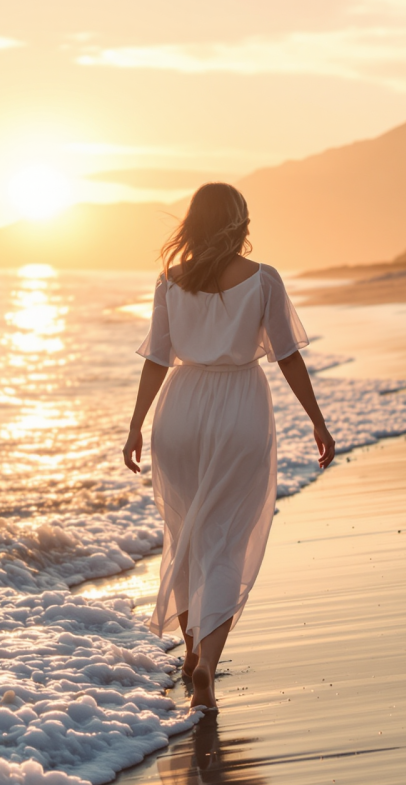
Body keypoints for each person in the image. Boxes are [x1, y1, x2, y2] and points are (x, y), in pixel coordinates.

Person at [123, 183, 334, 712]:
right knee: (226, 541)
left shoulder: (170, 280)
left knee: (186, 534)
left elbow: (157, 360)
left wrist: (135, 426)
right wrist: (317, 421)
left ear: (193, 223)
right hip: (239, 407)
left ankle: (193, 652)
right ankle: (207, 669)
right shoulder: (263, 279)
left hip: (179, 410)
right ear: (240, 222)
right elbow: (287, 356)